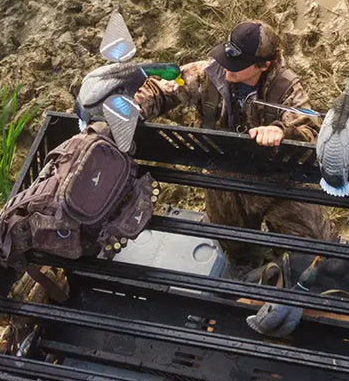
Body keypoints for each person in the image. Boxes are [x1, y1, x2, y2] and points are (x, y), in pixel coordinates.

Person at [132, 20, 336, 246]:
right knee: (231, 245)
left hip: (277, 177)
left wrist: (281, 131)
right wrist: (135, 109)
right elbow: (162, 90)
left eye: (237, 63)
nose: (226, 65)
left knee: (316, 242)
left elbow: (312, 132)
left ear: (264, 66)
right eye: (226, 55)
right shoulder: (207, 73)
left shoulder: (287, 88)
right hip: (221, 171)